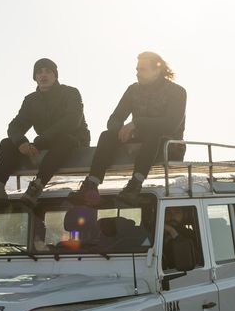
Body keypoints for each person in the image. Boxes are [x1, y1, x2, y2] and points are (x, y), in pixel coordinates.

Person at [70, 51, 186, 207]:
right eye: (137, 69)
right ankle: (91, 185)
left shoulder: (177, 92)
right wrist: (119, 130)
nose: (137, 73)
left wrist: (137, 123)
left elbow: (171, 124)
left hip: (169, 145)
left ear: (157, 70)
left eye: (142, 70)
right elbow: (114, 118)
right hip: (139, 140)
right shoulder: (133, 90)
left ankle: (134, 186)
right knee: (107, 135)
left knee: (154, 135)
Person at [0, 58, 89, 207]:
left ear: (55, 75)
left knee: (63, 139)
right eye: (39, 72)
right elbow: (15, 125)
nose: (43, 75)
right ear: (35, 77)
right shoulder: (31, 100)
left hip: (74, 141)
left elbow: (71, 122)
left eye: (48, 71)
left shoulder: (71, 93)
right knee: (8, 143)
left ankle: (37, 186)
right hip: (45, 143)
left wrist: (39, 141)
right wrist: (22, 142)